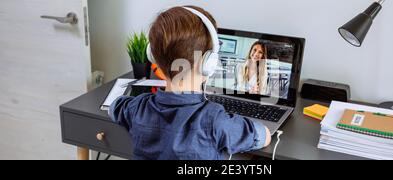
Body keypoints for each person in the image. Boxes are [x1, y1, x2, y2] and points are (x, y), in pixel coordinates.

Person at [108, 6, 271, 160]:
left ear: (154, 58)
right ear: (208, 64)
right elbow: (263, 136)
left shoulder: (137, 108)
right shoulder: (215, 120)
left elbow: (114, 107)